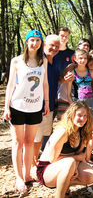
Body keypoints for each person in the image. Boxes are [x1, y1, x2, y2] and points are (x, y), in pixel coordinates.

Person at [3, 30, 50, 193]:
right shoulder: (16, 61)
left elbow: (45, 84)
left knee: (30, 141)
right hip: (18, 105)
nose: (35, 43)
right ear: (26, 42)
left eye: (38, 40)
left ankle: (27, 175)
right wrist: (6, 106)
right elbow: (10, 85)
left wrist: (46, 102)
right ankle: (18, 178)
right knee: (18, 142)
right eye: (32, 40)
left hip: (35, 107)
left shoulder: (42, 60)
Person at [36, 101, 93, 197]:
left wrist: (75, 165)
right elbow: (53, 159)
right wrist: (74, 161)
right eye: (79, 115)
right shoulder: (63, 132)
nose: (83, 119)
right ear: (71, 115)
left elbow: (81, 155)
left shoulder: (82, 131)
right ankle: (60, 195)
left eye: (85, 116)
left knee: (91, 176)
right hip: (47, 169)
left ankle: (64, 185)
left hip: (67, 165)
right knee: (70, 162)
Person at [66, 49, 93, 164]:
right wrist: (72, 105)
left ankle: (87, 157)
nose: (83, 60)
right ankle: (78, 156)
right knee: (79, 132)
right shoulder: (72, 73)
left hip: (91, 103)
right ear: (75, 58)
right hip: (79, 104)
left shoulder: (92, 72)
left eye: (85, 58)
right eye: (80, 58)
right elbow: (68, 92)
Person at [33, 35, 60, 166]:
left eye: (57, 46)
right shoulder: (38, 61)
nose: (54, 48)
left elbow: (54, 81)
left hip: (49, 105)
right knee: (35, 136)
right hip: (36, 104)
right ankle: (32, 163)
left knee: (44, 133)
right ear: (44, 45)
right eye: (51, 45)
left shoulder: (55, 62)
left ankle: (36, 161)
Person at [55, 27, 75, 120]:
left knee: (64, 121)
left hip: (65, 93)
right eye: (62, 36)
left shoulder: (72, 54)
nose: (64, 38)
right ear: (57, 36)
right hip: (51, 90)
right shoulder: (52, 52)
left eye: (66, 36)